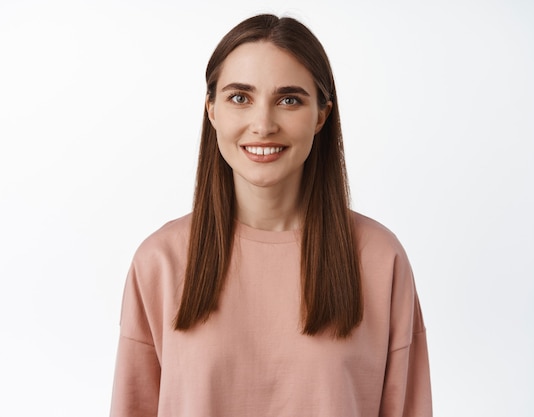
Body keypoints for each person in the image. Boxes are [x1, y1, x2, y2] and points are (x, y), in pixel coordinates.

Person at [109, 14, 432, 417]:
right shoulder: (160, 263)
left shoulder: (380, 260)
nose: (262, 125)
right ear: (212, 110)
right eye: (240, 98)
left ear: (320, 115)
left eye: (289, 99)